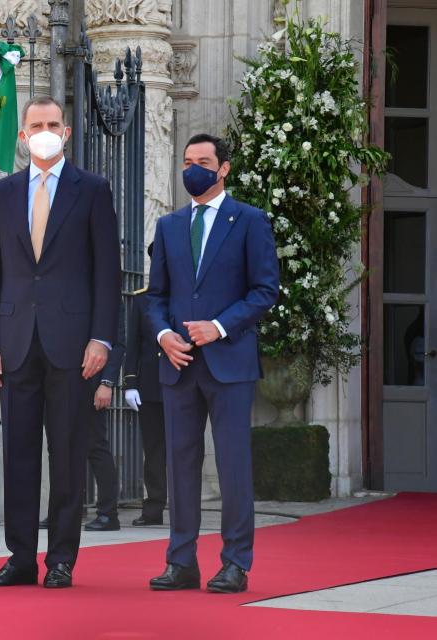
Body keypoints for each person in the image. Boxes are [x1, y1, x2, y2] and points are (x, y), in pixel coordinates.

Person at [0, 96, 121, 589]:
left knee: (66, 453)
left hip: (73, 343)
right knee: (18, 454)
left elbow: (107, 272)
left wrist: (102, 338)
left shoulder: (93, 190)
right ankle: (20, 557)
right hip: (15, 343)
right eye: (35, 124)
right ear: (22, 135)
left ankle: (61, 557)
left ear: (67, 132)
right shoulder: (0, 195)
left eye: (52, 124)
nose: (44, 131)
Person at [146, 134, 279, 594]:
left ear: (223, 168)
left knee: (233, 465)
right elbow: (156, 296)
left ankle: (235, 563)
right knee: (180, 465)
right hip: (178, 364)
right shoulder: (168, 226)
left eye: (202, 161)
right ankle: (180, 561)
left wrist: (218, 327)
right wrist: (164, 336)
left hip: (230, 364)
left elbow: (265, 290)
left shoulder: (250, 221)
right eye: (187, 161)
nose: (192, 169)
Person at [123, 244, 166, 527]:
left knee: (186, 449)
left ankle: (188, 507)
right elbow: (133, 344)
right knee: (153, 450)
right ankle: (153, 508)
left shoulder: (187, 295)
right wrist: (130, 383)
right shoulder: (142, 300)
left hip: (183, 384)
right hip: (150, 385)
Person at [82, 310, 125, 532]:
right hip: (64, 380)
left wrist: (107, 383)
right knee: (61, 448)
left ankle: (109, 513)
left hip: (94, 382)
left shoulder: (105, 289)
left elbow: (117, 344)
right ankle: (64, 510)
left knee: (96, 446)